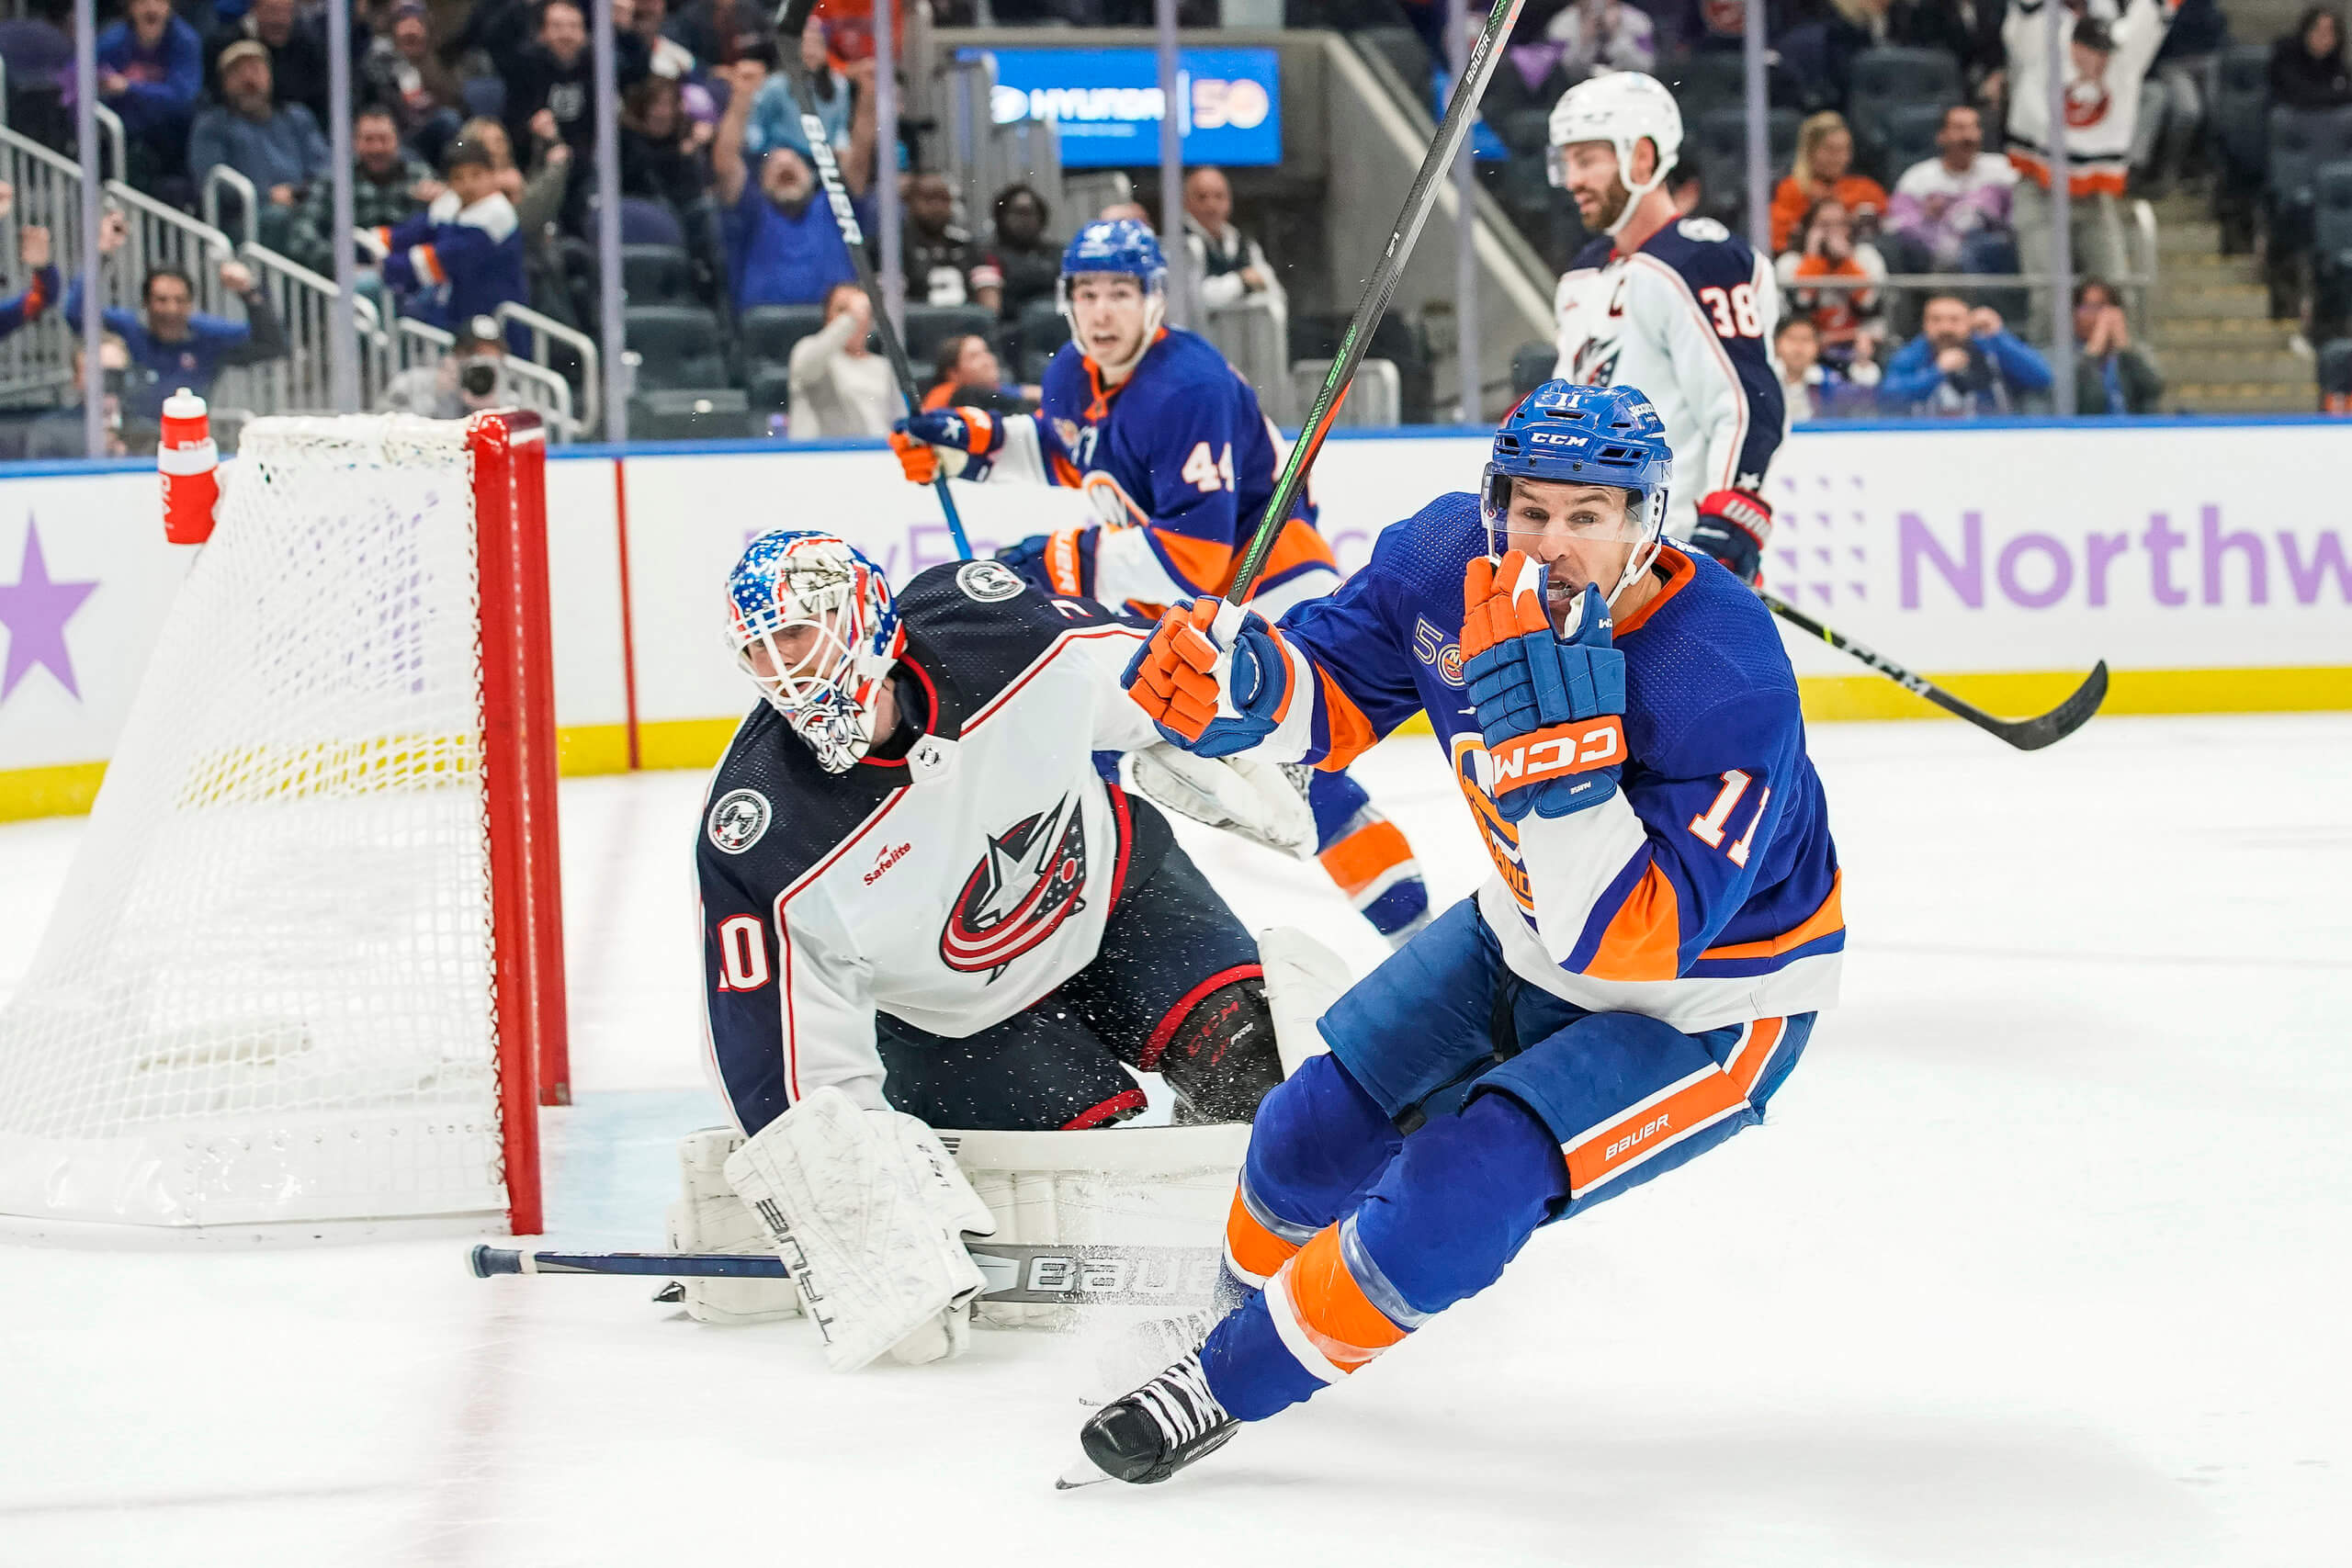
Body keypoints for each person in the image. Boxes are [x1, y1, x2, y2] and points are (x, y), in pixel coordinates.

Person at [1079, 380, 1843, 1486]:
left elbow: (1624, 945)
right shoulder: (1445, 560)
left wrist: (1565, 763)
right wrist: (1239, 682)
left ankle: (1224, 1384)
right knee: (1306, 1130)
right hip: (1518, 932)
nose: (1553, 544)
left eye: (1588, 516)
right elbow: (1330, 692)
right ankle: (1227, 1312)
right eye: (1530, 511)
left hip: (1708, 1002)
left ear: (1644, 520)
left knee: (1459, 1186)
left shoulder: (1721, 673)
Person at [699, 529, 1291, 1369]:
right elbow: (772, 1059)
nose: (782, 667)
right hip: (961, 1019)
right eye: (757, 649)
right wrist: (854, 1203)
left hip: (1117, 898)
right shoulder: (758, 831)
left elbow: (1145, 673)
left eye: (795, 632)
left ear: (866, 613)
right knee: (1101, 1184)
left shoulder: (992, 629)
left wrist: (1221, 718)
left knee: (1258, 1068)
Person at [889, 220, 1434, 950]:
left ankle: (1421, 945)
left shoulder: (1188, 387)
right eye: (1088, 293)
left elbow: (1193, 557)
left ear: (1154, 301)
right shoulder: (1072, 374)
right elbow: (1073, 451)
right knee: (1096, 753)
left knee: (1311, 779)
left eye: (1122, 292)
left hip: (1267, 584)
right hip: (1179, 606)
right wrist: (974, 443)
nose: (1103, 311)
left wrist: (1060, 561)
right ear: (1068, 300)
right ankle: (1088, 947)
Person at [1546, 73, 1788, 588]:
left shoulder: (1702, 259)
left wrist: (1728, 522)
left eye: (1587, 160)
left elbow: (1747, 405)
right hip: (1593, 559)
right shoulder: (1583, 274)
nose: (1572, 180)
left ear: (1642, 157)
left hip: (1674, 555)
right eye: (1566, 162)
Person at [2004, 0, 2168, 340]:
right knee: (2049, 293)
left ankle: (2123, 376)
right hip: (2039, 190)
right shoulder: (2041, 46)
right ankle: (2047, 383)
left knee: (2116, 288)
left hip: (2094, 196)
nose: (2099, 60)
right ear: (2073, 45)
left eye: (2104, 52)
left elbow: (2154, 14)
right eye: (2090, 50)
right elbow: (2027, 13)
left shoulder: (2123, 58)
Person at [62, 213, 288, 423]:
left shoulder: (207, 336)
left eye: (180, 301)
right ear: (146, 303)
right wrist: (101, 253)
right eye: (162, 300)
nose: (171, 310)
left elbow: (272, 344)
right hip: (130, 443)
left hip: (185, 443)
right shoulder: (129, 330)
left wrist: (249, 293)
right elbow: (76, 313)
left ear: (191, 304)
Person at [714, 58, 870, 312]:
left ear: (812, 176)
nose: (784, 166)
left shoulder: (835, 207)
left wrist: (869, 96)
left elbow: (860, 157)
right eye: (774, 166)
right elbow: (726, 162)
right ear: (761, 181)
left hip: (835, 330)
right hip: (765, 334)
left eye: (794, 165)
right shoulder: (751, 209)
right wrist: (742, 97)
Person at [370, 138, 527, 344]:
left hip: (492, 321)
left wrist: (383, 266)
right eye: (458, 177)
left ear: (492, 174)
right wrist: (366, 242)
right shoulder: (450, 202)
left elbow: (441, 260)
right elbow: (410, 234)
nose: (468, 184)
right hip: (451, 314)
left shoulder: (498, 215)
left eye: (476, 175)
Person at [187, 41, 332, 253]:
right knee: (280, 219)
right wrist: (265, 195)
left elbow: (324, 167)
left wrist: (301, 193)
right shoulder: (212, 126)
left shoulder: (297, 117)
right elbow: (212, 182)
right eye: (238, 72)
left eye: (255, 69)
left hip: (305, 207)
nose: (249, 79)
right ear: (225, 83)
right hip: (246, 219)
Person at [288, 106, 437, 277]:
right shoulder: (334, 181)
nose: (377, 148)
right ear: (355, 142)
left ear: (397, 140)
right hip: (350, 278)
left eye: (384, 139)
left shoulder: (420, 175)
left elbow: (446, 227)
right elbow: (301, 233)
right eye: (368, 140)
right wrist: (340, 264)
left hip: (412, 273)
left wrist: (443, 202)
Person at [1884, 104, 2018, 276]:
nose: (1968, 136)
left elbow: (2020, 217)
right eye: (1959, 128)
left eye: (1974, 128)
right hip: (1936, 263)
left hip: (1993, 260)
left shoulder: (2002, 170)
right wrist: (1926, 218)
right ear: (1941, 136)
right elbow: (1898, 225)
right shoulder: (1918, 179)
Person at [1879, 291, 2052, 413]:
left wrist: (1998, 336)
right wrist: (1937, 372)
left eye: (1954, 320)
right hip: (1928, 440)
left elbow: (2041, 378)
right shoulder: (1912, 354)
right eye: (1936, 320)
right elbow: (1889, 395)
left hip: (1992, 437)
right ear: (1925, 324)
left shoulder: (1990, 349)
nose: (1945, 327)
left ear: (1970, 322)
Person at [95, 0, 201, 184]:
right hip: (123, 138)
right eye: (143, 2)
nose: (151, 8)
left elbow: (183, 96)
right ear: (130, 8)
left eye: (159, 2)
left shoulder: (185, 40)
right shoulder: (111, 40)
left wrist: (130, 87)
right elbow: (83, 78)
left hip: (174, 138)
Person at [1775, 196, 1886, 367]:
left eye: (1840, 224)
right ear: (1808, 228)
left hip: (1858, 341)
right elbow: (1800, 306)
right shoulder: (1791, 262)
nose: (1833, 232)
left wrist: (1846, 261)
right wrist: (1813, 259)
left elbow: (1868, 305)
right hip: (1807, 345)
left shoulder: (1865, 257)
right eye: (1824, 225)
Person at [1769, 112, 1887, 256]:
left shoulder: (1866, 189)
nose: (1840, 158)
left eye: (1845, 149)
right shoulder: (1791, 190)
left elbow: (1887, 234)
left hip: (1854, 268)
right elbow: (1778, 242)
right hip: (1804, 266)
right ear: (1810, 151)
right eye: (1830, 150)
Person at [1180, 166, 1284, 328]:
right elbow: (1195, 301)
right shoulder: (1180, 243)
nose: (1211, 205)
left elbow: (1274, 291)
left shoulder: (1243, 242)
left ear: (1229, 202)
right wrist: (1242, 281)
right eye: (1202, 197)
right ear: (1186, 202)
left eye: (1219, 197)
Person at [786, 281, 893, 438]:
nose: (857, 317)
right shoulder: (808, 350)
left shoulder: (884, 367)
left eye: (863, 311)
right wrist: (850, 319)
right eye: (842, 310)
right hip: (820, 458)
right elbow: (807, 369)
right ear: (827, 318)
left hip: (875, 456)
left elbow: (898, 421)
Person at [362, 2, 464, 163]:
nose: (411, 30)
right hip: (394, 138)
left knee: (449, 120)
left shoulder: (440, 66)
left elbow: (458, 106)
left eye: (417, 24)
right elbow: (375, 104)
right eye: (404, 24)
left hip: (433, 138)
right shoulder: (378, 64)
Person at [26, 334, 155, 459]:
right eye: (96, 374)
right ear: (76, 379)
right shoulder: (51, 433)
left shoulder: (149, 434)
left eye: (115, 374)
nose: (107, 382)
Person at [378, 313, 515, 418]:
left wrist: (492, 414)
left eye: (491, 359)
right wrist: (439, 397)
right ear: (455, 355)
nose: (481, 365)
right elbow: (383, 425)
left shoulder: (510, 401)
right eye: (473, 354)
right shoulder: (413, 383)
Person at [902, 173, 1002, 311]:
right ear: (910, 201)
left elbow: (990, 303)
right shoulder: (894, 248)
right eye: (929, 198)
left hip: (966, 328)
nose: (937, 206)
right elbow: (886, 306)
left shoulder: (969, 245)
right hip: (916, 329)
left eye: (944, 199)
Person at [2071, 276, 2164, 413]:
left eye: (2102, 307)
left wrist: (2124, 349)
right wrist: (2093, 351)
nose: (2099, 316)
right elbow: (2085, 401)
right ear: (2075, 313)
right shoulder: (2060, 355)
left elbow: (2153, 389)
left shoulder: (2132, 355)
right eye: (2088, 307)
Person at [1773, 312, 1875, 418]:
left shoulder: (1830, 382)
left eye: (1806, 340)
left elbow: (1863, 402)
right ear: (1776, 343)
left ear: (1818, 346)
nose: (1798, 348)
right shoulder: (1764, 379)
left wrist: (1863, 362)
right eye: (1792, 339)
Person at [987, 183, 1061, 322]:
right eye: (1018, 213)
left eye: (1030, 213)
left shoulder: (1058, 253)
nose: (1024, 220)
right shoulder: (988, 255)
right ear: (1002, 217)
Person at [921, 332, 1033, 413]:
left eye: (986, 352)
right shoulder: (944, 396)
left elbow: (1028, 393)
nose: (987, 360)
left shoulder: (994, 389)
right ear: (953, 373)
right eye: (974, 356)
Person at [2268, 6, 2351, 107]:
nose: (2324, 37)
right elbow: (2301, 94)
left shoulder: (2334, 60)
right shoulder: (2287, 54)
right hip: (2289, 112)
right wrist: (2338, 94)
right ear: (2306, 31)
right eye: (2318, 30)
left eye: (2331, 32)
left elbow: (2344, 86)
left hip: (2325, 112)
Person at [1545, 0, 1658, 73]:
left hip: (1627, 88)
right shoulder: (1561, 25)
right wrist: (1584, 40)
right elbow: (1566, 73)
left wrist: (1616, 34)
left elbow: (1646, 68)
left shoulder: (1638, 21)